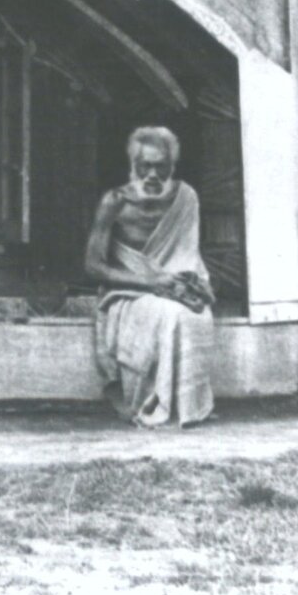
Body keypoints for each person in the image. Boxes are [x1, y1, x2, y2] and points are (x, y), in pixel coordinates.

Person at [85, 127, 217, 428]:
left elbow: (188, 257)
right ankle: (151, 401)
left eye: (161, 166)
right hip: (128, 294)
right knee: (170, 315)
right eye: (146, 165)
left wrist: (198, 283)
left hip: (172, 288)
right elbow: (93, 266)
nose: (153, 174)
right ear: (134, 164)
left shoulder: (186, 198)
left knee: (195, 315)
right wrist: (150, 283)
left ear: (173, 166)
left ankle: (186, 407)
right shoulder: (115, 201)